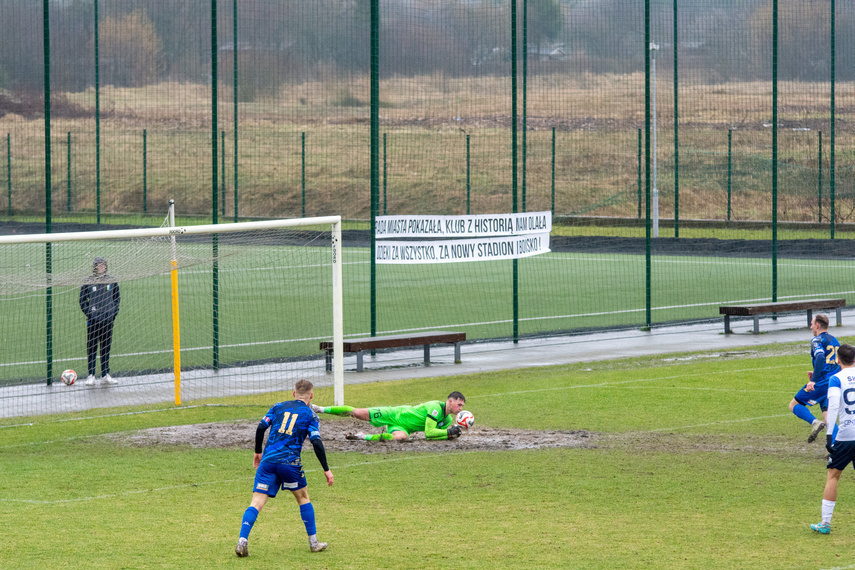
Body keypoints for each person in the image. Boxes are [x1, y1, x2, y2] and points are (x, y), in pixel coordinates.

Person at [235, 379, 333, 557]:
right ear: (311, 396)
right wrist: (326, 469)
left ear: (294, 393)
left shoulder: (277, 406)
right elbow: (316, 442)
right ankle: (313, 543)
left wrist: (258, 452)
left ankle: (242, 541)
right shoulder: (311, 415)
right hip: (290, 463)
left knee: (256, 502)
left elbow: (260, 427)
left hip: (268, 461)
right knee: (303, 498)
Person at [810, 343, 855, 534]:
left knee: (833, 475)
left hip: (845, 435)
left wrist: (830, 436)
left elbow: (834, 406)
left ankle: (825, 523)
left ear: (838, 360)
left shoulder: (836, 379)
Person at [311, 391, 466, 441]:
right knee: (357, 413)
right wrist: (448, 433)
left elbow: (431, 437)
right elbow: (429, 432)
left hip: (401, 427)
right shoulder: (435, 408)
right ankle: (319, 408)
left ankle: (362, 436)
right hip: (394, 413)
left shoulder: (447, 420)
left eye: (462, 407)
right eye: (459, 405)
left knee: (402, 438)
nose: (460, 409)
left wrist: (449, 435)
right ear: (450, 401)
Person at [789, 314, 840, 443]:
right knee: (828, 416)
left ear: (817, 325)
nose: (810, 327)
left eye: (812, 324)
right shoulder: (835, 341)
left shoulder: (817, 340)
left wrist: (814, 380)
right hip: (834, 382)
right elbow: (836, 362)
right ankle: (836, 446)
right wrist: (817, 372)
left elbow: (821, 357)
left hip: (822, 382)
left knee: (794, 405)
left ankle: (814, 423)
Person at [78, 256, 121, 386]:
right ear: (95, 267)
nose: (101, 267)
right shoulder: (88, 281)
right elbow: (82, 301)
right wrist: (90, 314)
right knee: (92, 348)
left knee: (105, 348)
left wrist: (113, 314)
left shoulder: (111, 280)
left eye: (103, 265)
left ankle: (105, 375)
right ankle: (91, 375)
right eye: (99, 265)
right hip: (93, 321)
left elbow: (117, 299)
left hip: (107, 321)